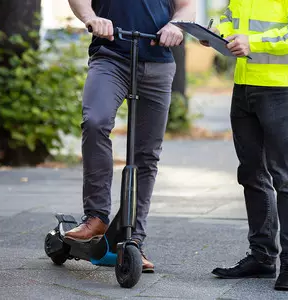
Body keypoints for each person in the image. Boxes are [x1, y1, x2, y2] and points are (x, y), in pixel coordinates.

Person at [66, 0, 196, 273]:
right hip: (110, 57)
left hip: (158, 60)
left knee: (146, 154)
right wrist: (91, 17)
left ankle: (133, 238)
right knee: (95, 122)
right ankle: (96, 216)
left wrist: (176, 25)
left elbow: (186, 6)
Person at [204, 0, 288, 291]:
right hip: (244, 85)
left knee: (285, 176)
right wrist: (215, 31)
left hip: (283, 89)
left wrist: (253, 43)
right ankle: (262, 257)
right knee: (251, 173)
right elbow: (232, 16)